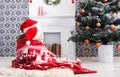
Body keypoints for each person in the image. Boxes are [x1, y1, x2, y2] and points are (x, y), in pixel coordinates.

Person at [12, 18, 97, 74]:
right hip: (35, 59)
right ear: (35, 34)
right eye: (41, 33)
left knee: (59, 60)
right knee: (61, 62)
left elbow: (43, 53)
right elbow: (37, 57)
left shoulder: (22, 43)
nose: (42, 35)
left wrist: (49, 55)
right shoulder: (32, 46)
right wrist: (49, 57)